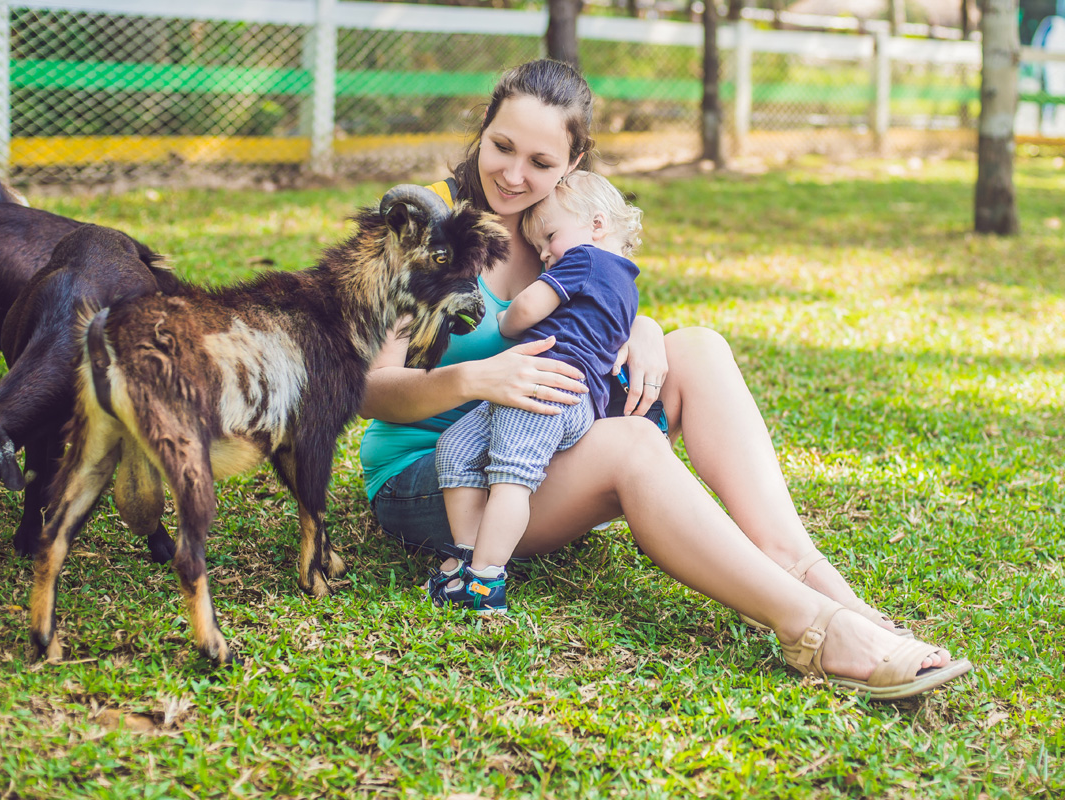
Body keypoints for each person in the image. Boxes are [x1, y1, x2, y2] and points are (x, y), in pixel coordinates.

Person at [359, 59, 971, 698]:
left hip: (542, 439)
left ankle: (807, 571)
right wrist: (477, 379)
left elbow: (594, 310)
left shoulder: (569, 225)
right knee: (633, 446)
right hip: (437, 477)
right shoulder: (422, 228)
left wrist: (641, 327)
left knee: (698, 348)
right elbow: (370, 388)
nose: (513, 176)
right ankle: (817, 633)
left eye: (540, 163)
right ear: (482, 130)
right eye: (502, 147)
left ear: (573, 164)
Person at [429, 170, 644, 614]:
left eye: (549, 238)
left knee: (510, 477)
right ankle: (467, 557)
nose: (546, 255)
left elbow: (524, 309)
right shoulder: (626, 284)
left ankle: (485, 582)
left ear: (596, 225)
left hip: (546, 386)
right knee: (454, 447)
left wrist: (502, 322)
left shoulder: (585, 259)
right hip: (547, 390)